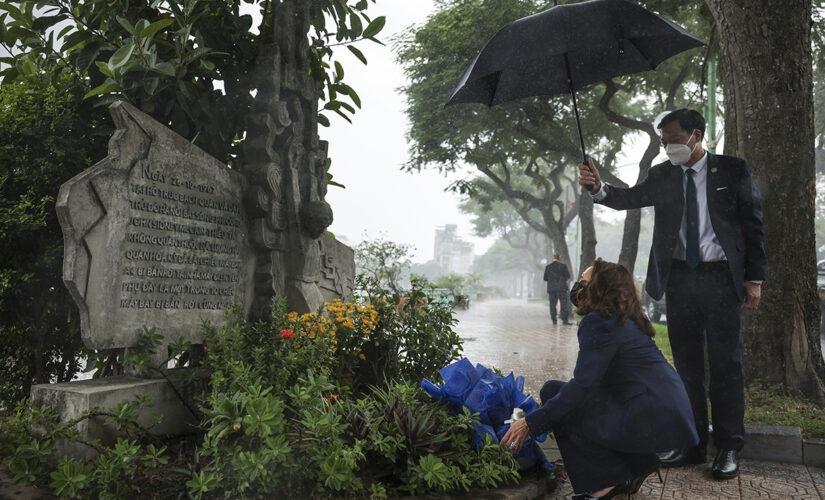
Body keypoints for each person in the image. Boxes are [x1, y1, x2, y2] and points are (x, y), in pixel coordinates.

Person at [577, 108, 766, 480]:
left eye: (673, 138)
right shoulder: (662, 174)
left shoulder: (732, 170)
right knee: (687, 367)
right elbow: (627, 198)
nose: (667, 146)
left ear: (697, 134)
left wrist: (754, 280)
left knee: (726, 366)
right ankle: (693, 444)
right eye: (662, 140)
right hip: (679, 280)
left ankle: (729, 446)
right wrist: (597, 187)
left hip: (720, 279)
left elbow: (752, 225)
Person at [501, 259, 697, 499]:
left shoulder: (599, 323)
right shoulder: (623, 319)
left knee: (559, 398)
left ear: (599, 288)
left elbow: (582, 387)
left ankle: (603, 482)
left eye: (582, 282)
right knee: (556, 391)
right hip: (663, 414)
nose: (577, 287)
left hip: (647, 416)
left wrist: (531, 422)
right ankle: (638, 465)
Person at [544, 253, 572, 325]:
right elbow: (568, 276)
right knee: (563, 304)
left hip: (552, 289)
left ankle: (554, 320)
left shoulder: (548, 267)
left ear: (553, 258)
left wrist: (552, 280)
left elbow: (545, 278)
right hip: (562, 288)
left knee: (552, 305)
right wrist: (561, 280)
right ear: (559, 259)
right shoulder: (563, 266)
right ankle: (564, 320)